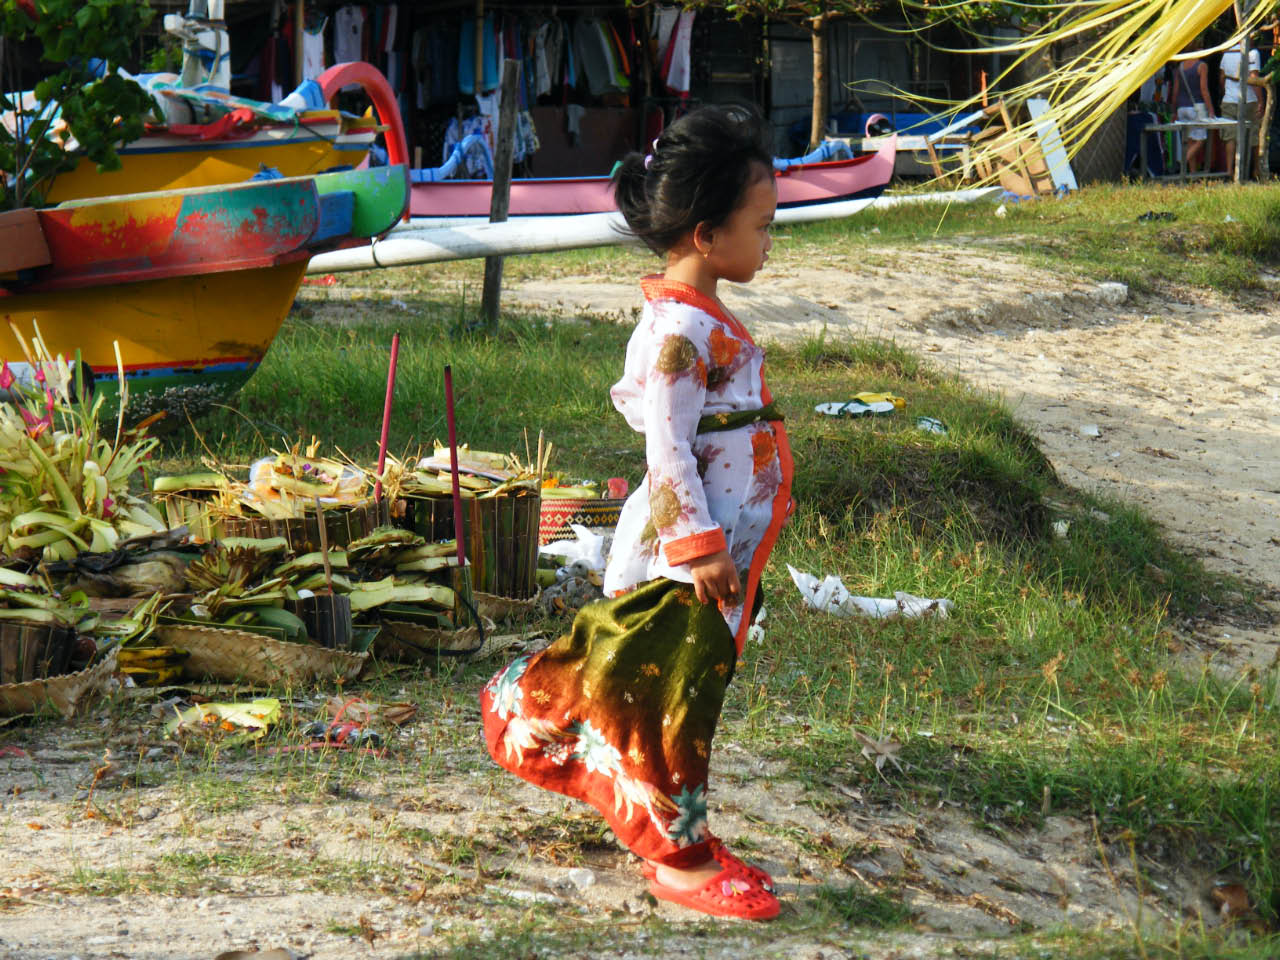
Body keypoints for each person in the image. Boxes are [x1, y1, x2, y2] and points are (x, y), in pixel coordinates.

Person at [480, 104, 790, 921]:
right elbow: (667, 450)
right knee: (669, 710)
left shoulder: (698, 317)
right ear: (704, 235)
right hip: (686, 566)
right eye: (761, 226)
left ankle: (673, 826)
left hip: (709, 561)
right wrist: (700, 548)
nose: (769, 241)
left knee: (671, 700)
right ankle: (677, 855)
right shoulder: (680, 332)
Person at [1220, 35, 1267, 178]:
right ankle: (1255, 170)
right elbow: (1254, 78)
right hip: (1249, 99)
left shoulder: (1227, 52)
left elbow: (1221, 77)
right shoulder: (1252, 53)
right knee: (1254, 135)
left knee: (1230, 137)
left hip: (1229, 100)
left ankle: (1230, 170)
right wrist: (1261, 100)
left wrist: (1226, 91)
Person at [1168, 44, 1216, 174]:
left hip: (1181, 108)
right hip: (1197, 107)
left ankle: (1192, 175)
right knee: (1201, 140)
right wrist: (1211, 109)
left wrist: (1173, 111)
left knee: (1189, 142)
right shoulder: (1202, 66)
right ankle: (1181, 162)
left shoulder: (1180, 67)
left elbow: (1175, 91)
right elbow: (1204, 89)